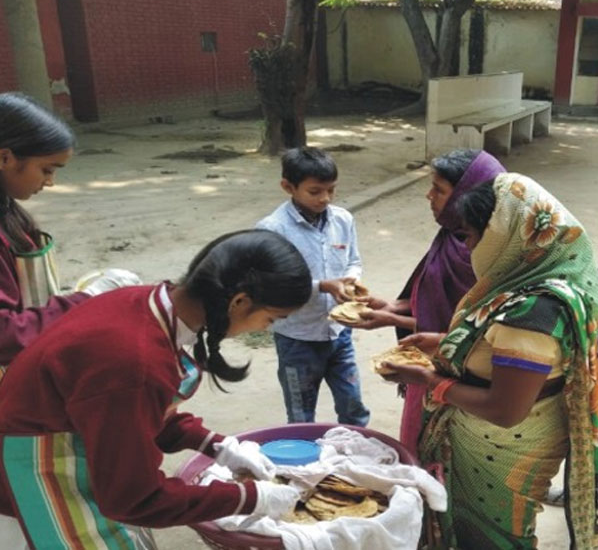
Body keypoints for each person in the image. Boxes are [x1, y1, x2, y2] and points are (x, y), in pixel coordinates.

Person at [0, 230, 312, 548]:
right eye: (272, 319)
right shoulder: (137, 361)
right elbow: (133, 498)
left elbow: (130, 415)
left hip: (76, 439)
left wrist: (215, 445)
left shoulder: (148, 302)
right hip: (35, 470)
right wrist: (249, 497)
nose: (267, 328)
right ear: (239, 302)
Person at [384, 174, 598, 549]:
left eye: (472, 236)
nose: (470, 247)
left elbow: (505, 409)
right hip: (498, 437)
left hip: (503, 446)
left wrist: (429, 381)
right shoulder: (528, 284)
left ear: (506, 236)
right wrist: (443, 342)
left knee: (493, 537)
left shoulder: (532, 315)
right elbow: (499, 356)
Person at [344, 148, 504, 453]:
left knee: (445, 458)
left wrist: (391, 320)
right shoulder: (451, 235)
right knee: (418, 445)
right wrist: (392, 306)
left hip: (462, 384)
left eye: (439, 190)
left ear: (467, 197)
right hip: (424, 368)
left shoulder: (483, 256)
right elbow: (432, 300)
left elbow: (464, 331)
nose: (429, 196)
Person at [0, 93, 138, 368]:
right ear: (5, 158)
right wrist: (84, 301)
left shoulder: (9, 211)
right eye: (47, 169)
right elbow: (5, 336)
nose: (51, 182)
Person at [256, 147, 370, 425]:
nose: (325, 198)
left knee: (353, 405)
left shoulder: (342, 219)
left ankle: (354, 456)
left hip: (338, 334)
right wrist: (323, 286)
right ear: (288, 187)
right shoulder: (273, 229)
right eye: (315, 191)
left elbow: (353, 260)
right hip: (297, 338)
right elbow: (272, 285)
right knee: (301, 414)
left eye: (331, 190)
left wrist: (351, 280)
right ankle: (305, 465)